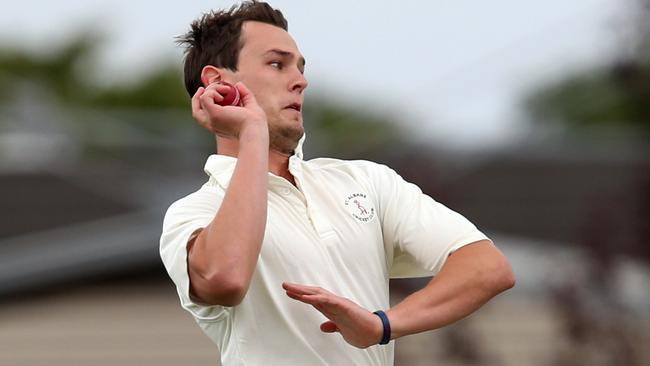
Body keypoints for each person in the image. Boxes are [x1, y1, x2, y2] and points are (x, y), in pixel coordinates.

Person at [159, 1, 515, 365]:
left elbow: (488, 268)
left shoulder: (365, 180)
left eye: (299, 68)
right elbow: (226, 279)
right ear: (218, 83)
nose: (301, 80)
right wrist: (251, 133)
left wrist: (381, 326)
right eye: (277, 64)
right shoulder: (192, 214)